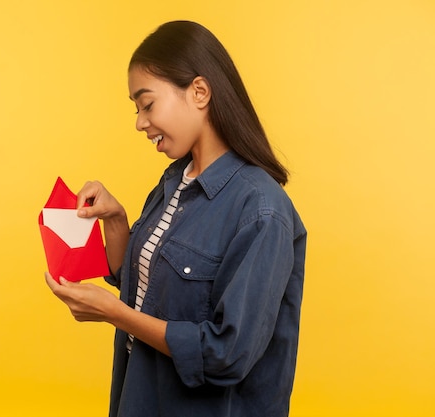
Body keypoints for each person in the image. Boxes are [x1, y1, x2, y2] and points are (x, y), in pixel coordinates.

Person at [45, 20, 306, 417]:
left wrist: (115, 314)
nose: (139, 122)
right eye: (136, 109)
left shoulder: (261, 211)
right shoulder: (175, 180)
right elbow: (142, 285)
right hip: (141, 396)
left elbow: (226, 354)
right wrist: (115, 220)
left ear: (199, 92)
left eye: (147, 104)